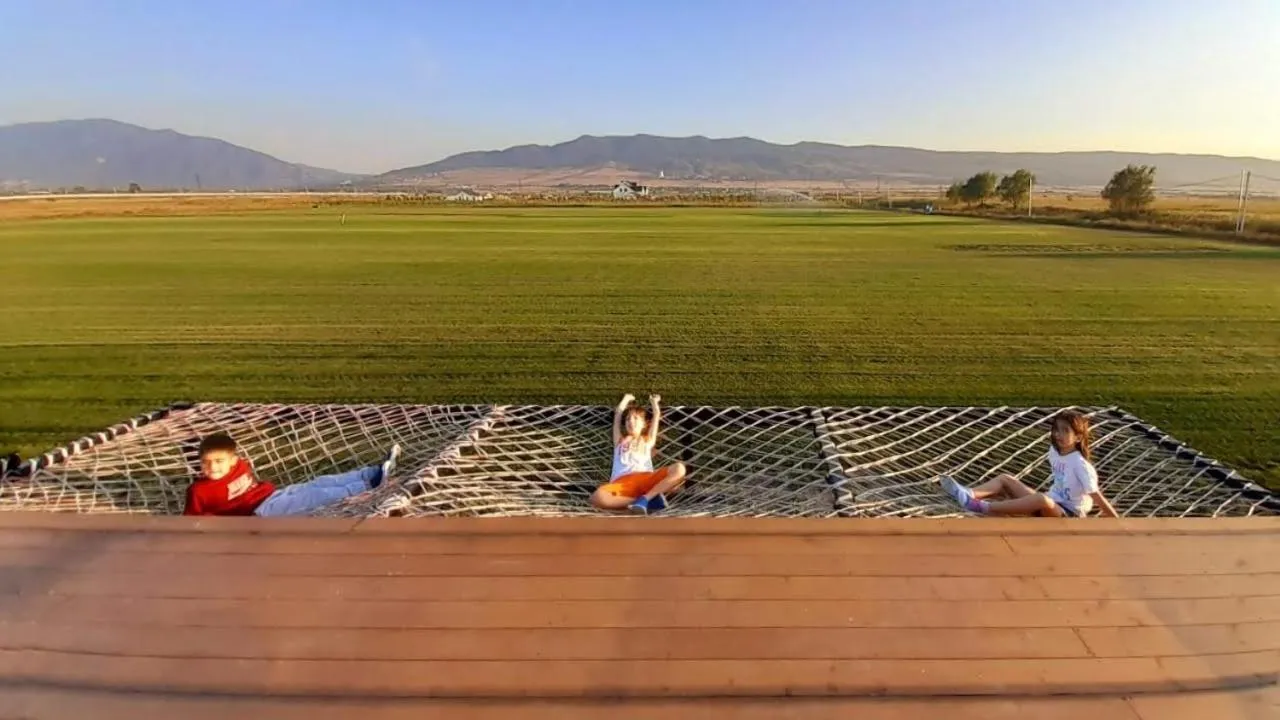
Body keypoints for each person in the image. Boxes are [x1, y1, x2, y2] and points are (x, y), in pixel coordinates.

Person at [939, 409, 1119, 518]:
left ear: (1078, 437)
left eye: (1065, 431)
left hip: (1068, 515)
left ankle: (982, 506)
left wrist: (1119, 522)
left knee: (1041, 499)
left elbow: (1097, 497)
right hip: (1052, 503)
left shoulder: (1081, 465)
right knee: (1005, 479)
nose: (1058, 434)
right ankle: (969, 493)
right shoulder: (1054, 451)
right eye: (1056, 429)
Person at [183, 432, 401, 517]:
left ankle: (370, 472)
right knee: (312, 498)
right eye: (206, 463)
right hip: (259, 514)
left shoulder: (239, 464)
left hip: (269, 496)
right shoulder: (199, 491)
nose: (212, 467)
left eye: (219, 462)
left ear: (232, 460)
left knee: (316, 484)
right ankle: (370, 484)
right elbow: (191, 521)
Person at [591, 393, 687, 515]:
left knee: (679, 469)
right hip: (622, 484)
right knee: (596, 498)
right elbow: (617, 416)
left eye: (636, 418)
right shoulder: (619, 441)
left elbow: (656, 416)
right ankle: (644, 502)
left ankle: (646, 499)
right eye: (628, 419)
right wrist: (626, 399)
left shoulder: (647, 440)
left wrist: (654, 403)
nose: (631, 421)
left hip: (645, 479)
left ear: (644, 424)